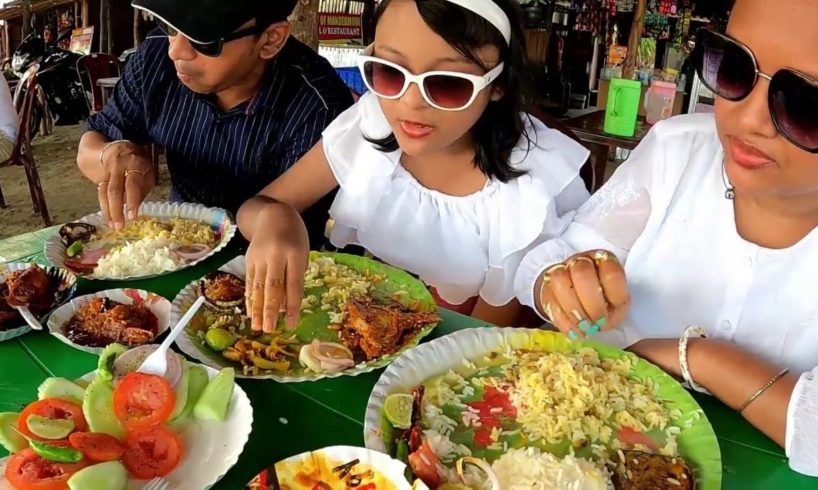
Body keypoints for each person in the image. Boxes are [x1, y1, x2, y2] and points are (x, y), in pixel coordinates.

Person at [515, 0, 818, 475]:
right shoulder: (678, 151)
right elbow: (548, 259)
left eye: (805, 102)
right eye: (734, 66)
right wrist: (563, 284)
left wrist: (699, 359)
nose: (748, 119)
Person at [236, 0, 591, 333]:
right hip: (371, 324)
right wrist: (276, 219)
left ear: (498, 85)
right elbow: (256, 207)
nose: (410, 102)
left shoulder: (529, 186)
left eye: (449, 84)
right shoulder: (371, 125)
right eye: (389, 73)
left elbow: (479, 341)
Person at [76, 0, 353, 248]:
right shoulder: (156, 57)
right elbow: (91, 144)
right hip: (174, 248)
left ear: (270, 40)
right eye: (170, 25)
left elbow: (276, 221)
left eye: (203, 38)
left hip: (266, 267)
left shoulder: (316, 107)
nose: (176, 51)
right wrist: (110, 155)